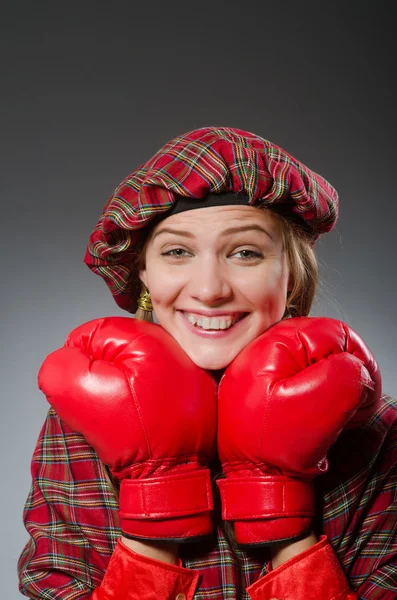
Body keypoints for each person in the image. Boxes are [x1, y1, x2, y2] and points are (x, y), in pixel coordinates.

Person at [18, 127, 397, 599]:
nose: (210, 289)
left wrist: (280, 512)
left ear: (292, 272)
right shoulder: (79, 417)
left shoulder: (372, 427)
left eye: (245, 253)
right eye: (177, 252)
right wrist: (154, 503)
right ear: (144, 273)